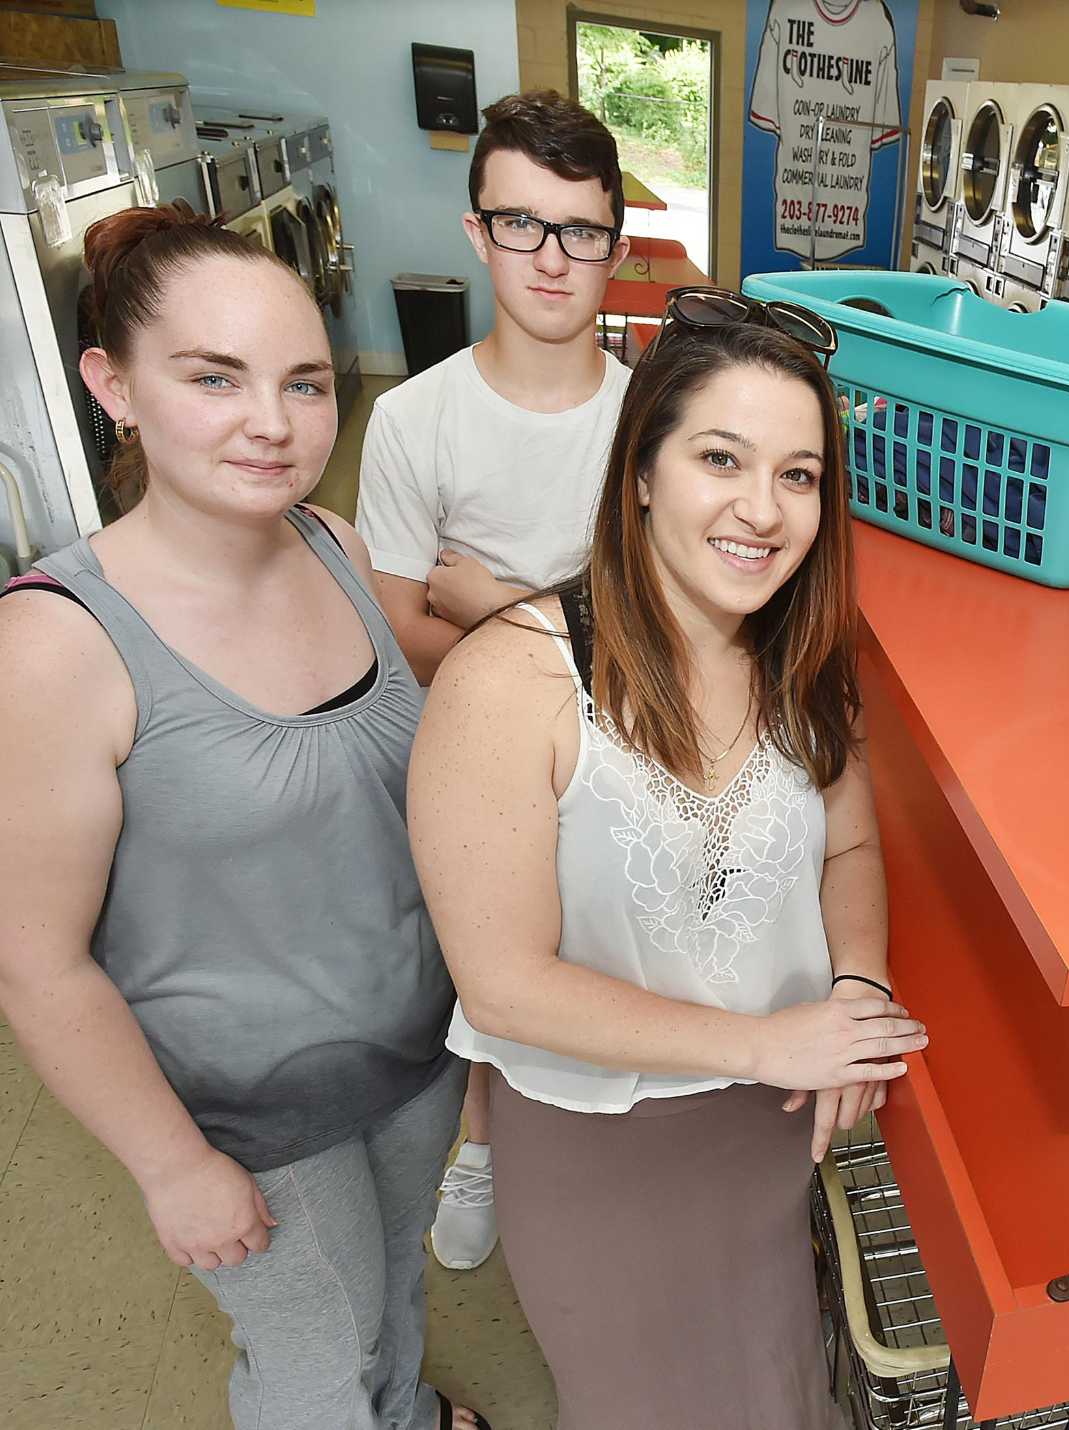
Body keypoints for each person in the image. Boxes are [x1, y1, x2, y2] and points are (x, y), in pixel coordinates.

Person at [0, 204, 487, 1429]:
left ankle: (409, 1413)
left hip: (412, 1050)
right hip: (248, 1110)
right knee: (315, 1358)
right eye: (214, 377)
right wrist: (173, 1165)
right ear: (112, 384)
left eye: (306, 382)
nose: (273, 424)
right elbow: (34, 959)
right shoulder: (54, 646)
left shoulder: (328, 540)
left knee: (390, 1290)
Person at [406, 300, 924, 1427]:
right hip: (600, 1142)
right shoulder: (512, 683)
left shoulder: (805, 663)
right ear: (641, 469)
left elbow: (849, 842)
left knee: (772, 1377)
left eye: (799, 474)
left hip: (769, 1122)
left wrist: (859, 984)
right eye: (720, 458)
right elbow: (501, 980)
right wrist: (763, 1040)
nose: (762, 508)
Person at [357, 88, 706, 1271]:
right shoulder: (415, 420)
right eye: (522, 224)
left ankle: (587, 1148)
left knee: (609, 958)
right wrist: (556, 634)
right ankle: (481, 1134)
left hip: (636, 748)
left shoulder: (653, 420)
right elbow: (404, 624)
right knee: (496, 957)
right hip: (486, 761)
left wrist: (496, 603)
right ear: (474, 230)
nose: (553, 259)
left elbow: (676, 620)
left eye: (582, 231)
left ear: (618, 241)